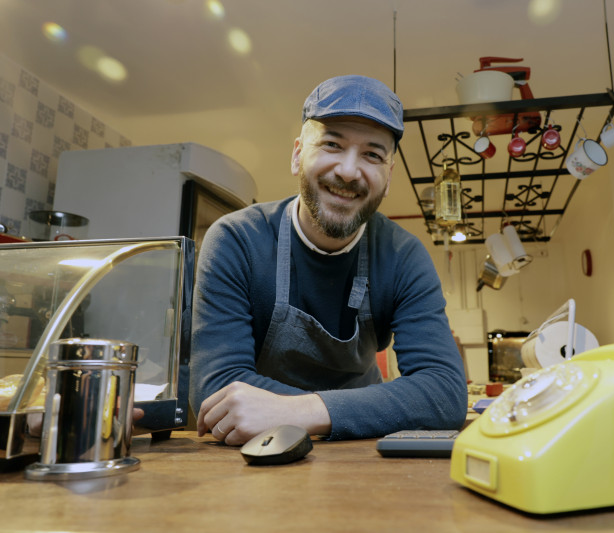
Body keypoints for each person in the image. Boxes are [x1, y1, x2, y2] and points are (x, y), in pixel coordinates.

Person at [189, 75, 468, 444]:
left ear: (389, 175)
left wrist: (301, 413)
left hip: (362, 451)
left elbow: (444, 394)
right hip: (257, 456)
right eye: (332, 144)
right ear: (297, 155)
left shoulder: (403, 255)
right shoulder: (237, 240)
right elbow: (217, 388)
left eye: (372, 154)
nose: (349, 171)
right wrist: (373, 407)